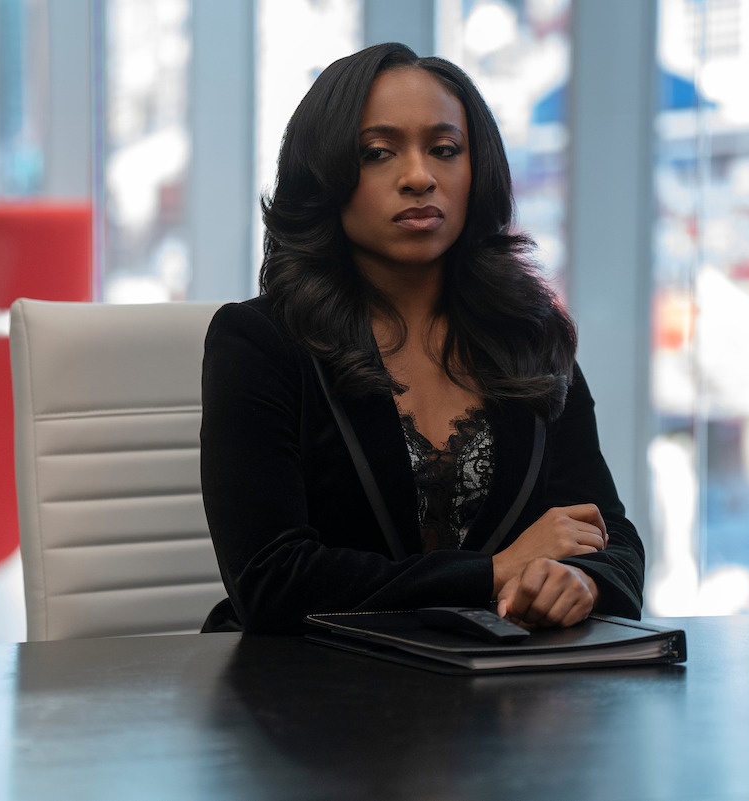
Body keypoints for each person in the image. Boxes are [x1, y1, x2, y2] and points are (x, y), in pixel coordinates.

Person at [200, 42, 643, 634]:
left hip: (499, 698)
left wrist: (579, 582)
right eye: (378, 153)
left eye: (444, 150)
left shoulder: (527, 334)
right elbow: (272, 579)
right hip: (310, 700)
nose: (418, 177)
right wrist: (492, 571)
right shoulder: (259, 344)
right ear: (325, 175)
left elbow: (608, 537)